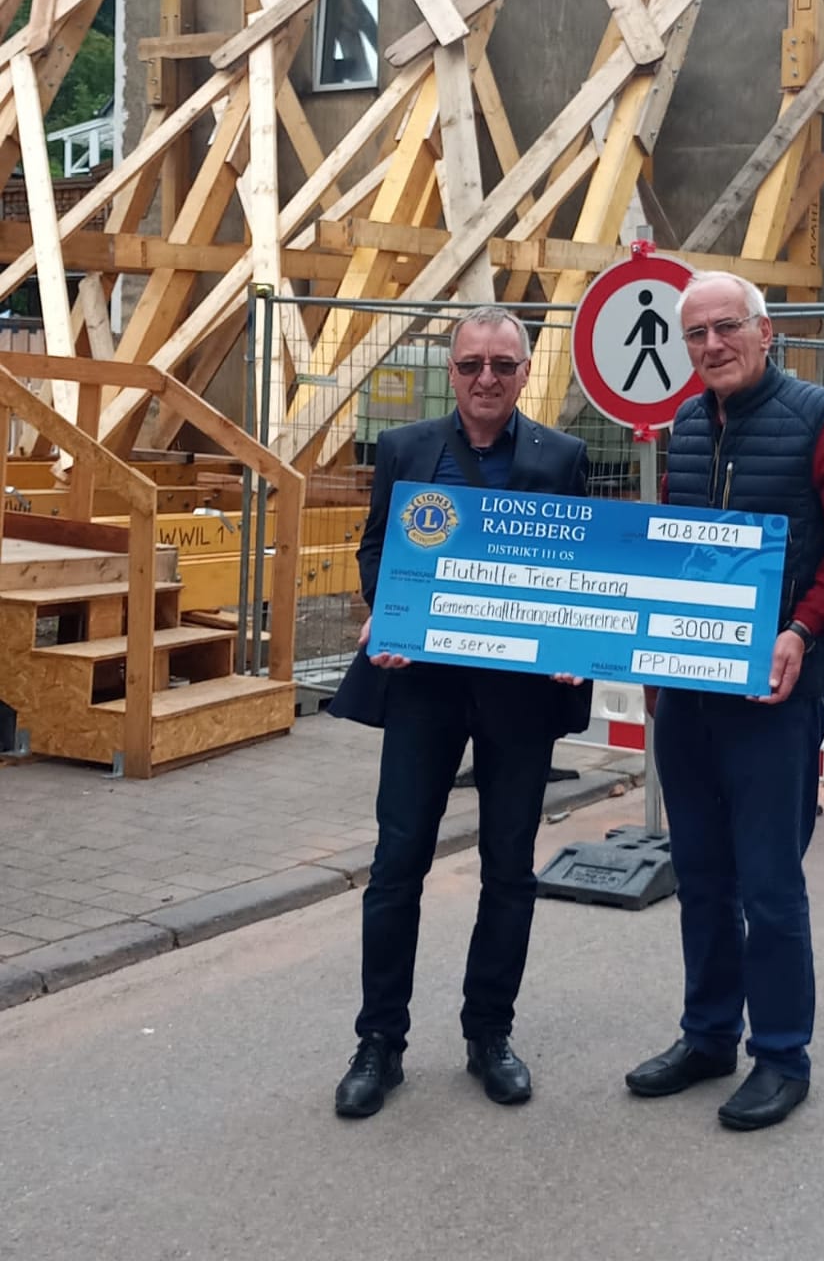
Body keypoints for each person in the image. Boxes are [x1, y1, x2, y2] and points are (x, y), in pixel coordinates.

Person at [624, 271, 824, 1131]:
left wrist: (804, 628)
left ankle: (782, 1054)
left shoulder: (823, 419)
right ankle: (707, 1037)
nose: (710, 347)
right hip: (691, 701)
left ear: (765, 331)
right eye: (694, 335)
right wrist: (651, 664)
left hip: (775, 699)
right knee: (701, 877)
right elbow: (669, 556)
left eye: (726, 328)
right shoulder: (687, 426)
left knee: (769, 886)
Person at [329, 306, 590, 1118]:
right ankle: (380, 1044)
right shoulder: (408, 450)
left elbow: (581, 564)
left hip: (518, 699)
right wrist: (387, 608)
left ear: (523, 372)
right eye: (473, 363)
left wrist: (575, 640)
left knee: (509, 869)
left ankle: (489, 1035)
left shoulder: (562, 457)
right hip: (426, 689)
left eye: (502, 366)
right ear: (453, 370)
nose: (487, 378)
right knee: (397, 863)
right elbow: (379, 546)